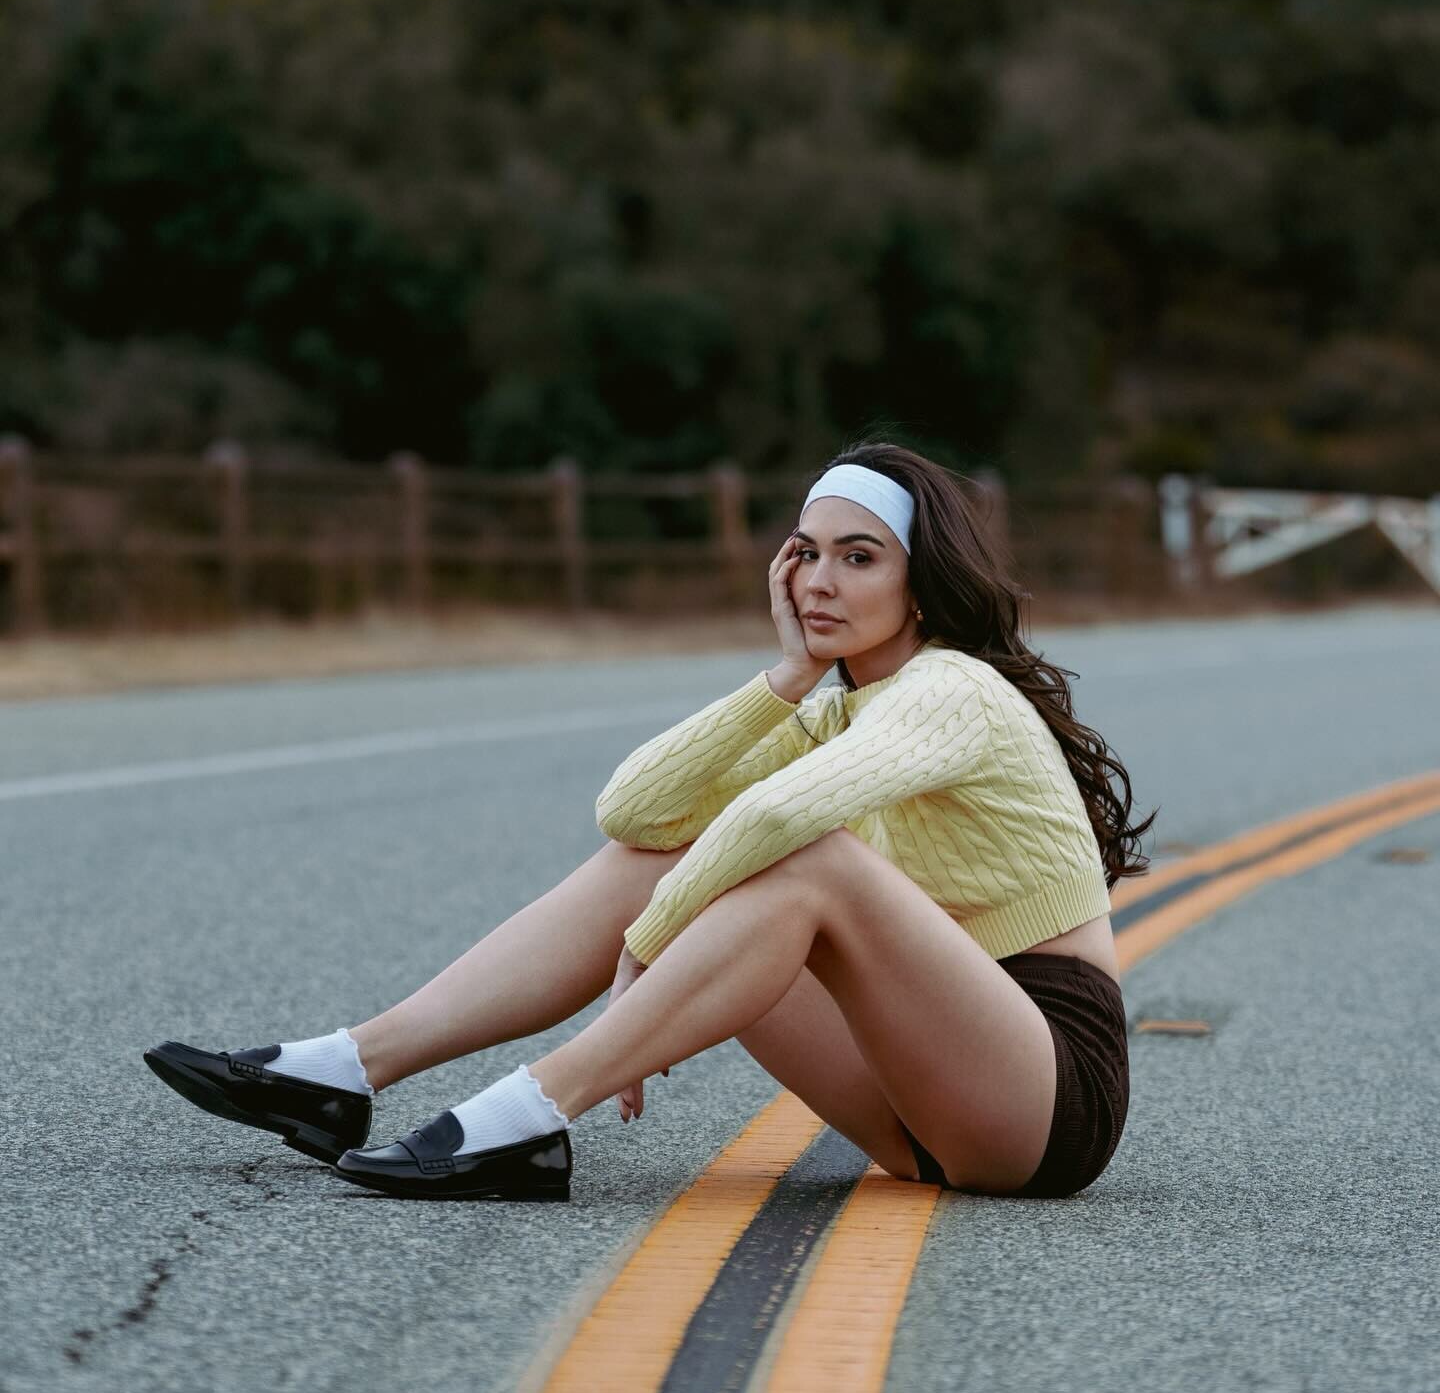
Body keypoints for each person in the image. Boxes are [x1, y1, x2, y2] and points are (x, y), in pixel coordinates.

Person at [145, 440, 1156, 1202]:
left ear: (921, 584)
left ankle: (533, 1110)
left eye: (859, 558)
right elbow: (636, 811)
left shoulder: (954, 689)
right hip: (917, 1098)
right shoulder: (835, 710)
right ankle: (348, 1070)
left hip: (1043, 1099)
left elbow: (781, 815)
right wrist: (786, 677)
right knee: (666, 855)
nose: (819, 581)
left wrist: (649, 943)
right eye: (805, 555)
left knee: (806, 859)